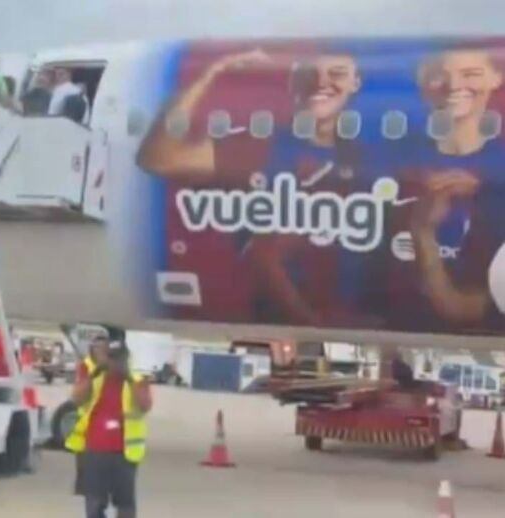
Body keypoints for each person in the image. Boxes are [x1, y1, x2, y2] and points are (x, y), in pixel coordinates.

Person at [137, 49, 383, 328]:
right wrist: (208, 74)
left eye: (336, 73)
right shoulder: (259, 146)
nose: (320, 82)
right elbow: (158, 158)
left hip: (353, 315)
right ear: (292, 84)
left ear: (355, 82)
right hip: (286, 318)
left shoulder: (364, 159)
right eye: (307, 75)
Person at [393, 47, 505, 329]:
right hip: (400, 320)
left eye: (471, 74)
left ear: (497, 78)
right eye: (439, 76)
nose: (454, 86)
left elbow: (460, 307)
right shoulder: (393, 161)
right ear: (423, 86)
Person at [66, 337, 151, 518]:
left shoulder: (136, 377)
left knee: (125, 505)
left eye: (117, 357)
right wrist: (94, 374)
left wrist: (128, 376)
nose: (113, 362)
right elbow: (76, 399)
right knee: (94, 504)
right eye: (109, 356)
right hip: (95, 449)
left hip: (124, 452)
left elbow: (145, 406)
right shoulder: (91, 373)